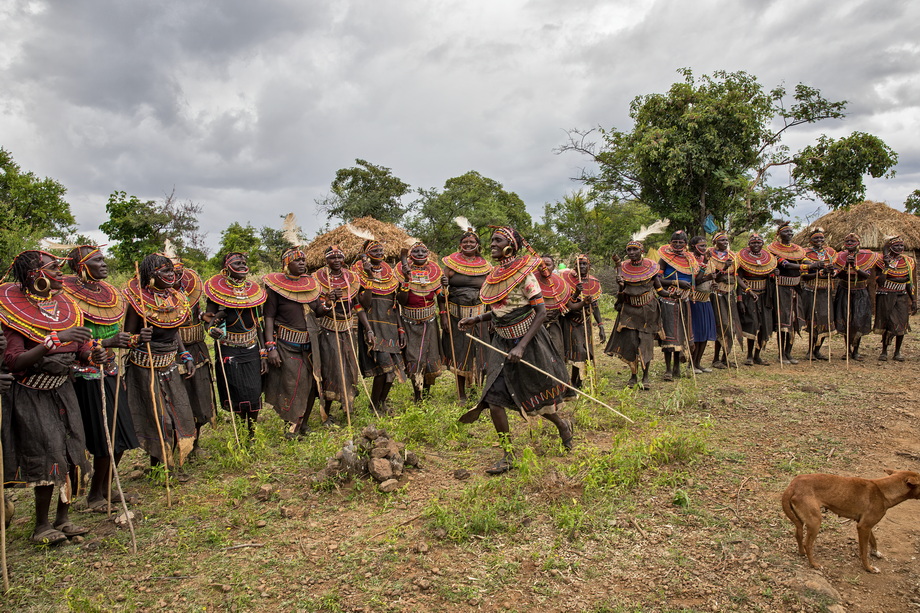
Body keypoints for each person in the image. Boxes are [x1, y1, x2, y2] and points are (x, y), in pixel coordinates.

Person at [0, 250, 103, 544]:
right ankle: (41, 525)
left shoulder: (63, 306)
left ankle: (64, 518)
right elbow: (14, 361)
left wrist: (92, 353)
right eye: (53, 268)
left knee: (71, 451)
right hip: (32, 393)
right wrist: (54, 340)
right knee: (48, 455)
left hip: (63, 388)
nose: (60, 273)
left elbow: (80, 348)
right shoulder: (13, 311)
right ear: (35, 274)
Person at [458, 226, 572, 474]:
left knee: (534, 395)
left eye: (498, 240)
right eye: (492, 241)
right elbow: (500, 310)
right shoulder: (495, 275)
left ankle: (562, 424)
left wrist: (521, 346)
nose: (492, 244)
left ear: (510, 245)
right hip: (501, 343)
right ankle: (508, 455)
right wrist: (476, 320)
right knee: (493, 397)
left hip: (528, 342)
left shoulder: (525, 276)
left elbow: (540, 313)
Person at [62, 245, 140, 512]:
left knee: (119, 436)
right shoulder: (67, 297)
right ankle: (95, 494)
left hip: (111, 372)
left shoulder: (110, 294)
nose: (104, 263)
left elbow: (118, 332)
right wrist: (105, 342)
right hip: (85, 376)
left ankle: (106, 488)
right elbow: (70, 337)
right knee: (104, 439)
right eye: (97, 260)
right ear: (81, 266)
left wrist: (130, 340)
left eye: (104, 258)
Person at [123, 253, 197, 467]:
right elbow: (127, 338)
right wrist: (139, 337)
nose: (171, 275)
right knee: (158, 417)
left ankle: (171, 462)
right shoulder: (138, 301)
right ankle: (159, 465)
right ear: (151, 275)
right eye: (165, 271)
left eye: (172, 270)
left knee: (179, 414)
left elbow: (173, 331)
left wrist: (185, 354)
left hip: (170, 364)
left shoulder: (176, 298)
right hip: (145, 366)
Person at [203, 252, 267, 436]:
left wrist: (263, 352)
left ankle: (252, 433)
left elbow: (259, 325)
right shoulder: (215, 293)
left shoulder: (254, 292)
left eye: (244, 262)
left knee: (254, 391)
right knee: (236, 391)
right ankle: (240, 429)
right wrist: (211, 329)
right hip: (229, 349)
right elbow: (209, 320)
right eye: (237, 263)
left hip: (252, 348)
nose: (241, 265)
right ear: (226, 267)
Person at [263, 247, 324, 436]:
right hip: (286, 345)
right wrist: (270, 347)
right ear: (286, 264)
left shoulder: (310, 285)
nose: (302, 263)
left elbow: (318, 311)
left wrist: (329, 303)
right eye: (297, 260)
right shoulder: (275, 288)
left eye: (304, 260)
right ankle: (290, 427)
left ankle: (303, 423)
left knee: (312, 386)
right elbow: (269, 317)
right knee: (292, 386)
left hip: (310, 344)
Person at [314, 245, 374, 425]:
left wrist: (369, 328)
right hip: (328, 331)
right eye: (333, 257)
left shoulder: (351, 278)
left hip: (347, 330)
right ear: (326, 260)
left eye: (340, 257)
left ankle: (347, 406)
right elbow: (316, 309)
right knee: (331, 369)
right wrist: (329, 300)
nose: (337, 260)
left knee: (348, 369)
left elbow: (359, 305)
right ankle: (326, 413)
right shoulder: (318, 279)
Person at [440, 223, 492, 403]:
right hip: (457, 316)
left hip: (480, 316)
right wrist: (443, 315)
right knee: (461, 353)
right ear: (460, 244)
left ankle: (479, 390)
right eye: (465, 241)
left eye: (472, 241)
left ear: (478, 244)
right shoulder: (450, 264)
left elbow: (491, 292)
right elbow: (442, 294)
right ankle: (461, 394)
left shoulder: (486, 266)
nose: (468, 244)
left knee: (480, 352)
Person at [353, 239, 405, 415]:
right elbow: (364, 304)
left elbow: (395, 305)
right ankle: (374, 405)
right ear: (367, 254)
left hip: (390, 326)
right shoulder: (358, 273)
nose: (379, 252)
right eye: (374, 250)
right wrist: (368, 276)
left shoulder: (390, 274)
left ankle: (381, 402)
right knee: (384, 369)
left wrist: (400, 329)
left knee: (393, 372)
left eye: (381, 249)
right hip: (373, 325)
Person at [171, 252, 215, 459]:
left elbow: (193, 313)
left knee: (200, 395)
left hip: (197, 348)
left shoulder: (190, 292)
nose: (175, 277)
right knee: (178, 399)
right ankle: (174, 447)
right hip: (173, 353)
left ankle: (196, 444)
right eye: (171, 273)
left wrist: (201, 317)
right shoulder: (157, 299)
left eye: (179, 273)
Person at [605, 238, 664, 389]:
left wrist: (673, 294)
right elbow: (620, 296)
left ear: (641, 251)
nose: (631, 252)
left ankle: (646, 376)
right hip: (630, 310)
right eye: (629, 250)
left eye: (634, 249)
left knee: (645, 342)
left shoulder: (651, 268)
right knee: (631, 343)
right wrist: (620, 287)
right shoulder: (622, 269)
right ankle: (633, 375)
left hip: (648, 310)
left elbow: (659, 289)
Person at [397, 242, 444, 403]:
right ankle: (417, 395)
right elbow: (401, 302)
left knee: (429, 357)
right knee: (414, 358)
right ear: (409, 255)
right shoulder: (402, 270)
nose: (419, 253)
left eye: (422, 250)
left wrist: (445, 287)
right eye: (415, 251)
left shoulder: (434, 272)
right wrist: (406, 279)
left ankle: (426, 392)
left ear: (428, 253)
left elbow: (441, 298)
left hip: (430, 321)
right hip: (409, 322)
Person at [657, 231, 698, 380]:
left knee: (681, 334)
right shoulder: (664, 259)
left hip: (685, 300)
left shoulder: (690, 259)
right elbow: (658, 280)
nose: (678, 245)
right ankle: (668, 369)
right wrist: (676, 282)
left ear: (686, 244)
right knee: (669, 334)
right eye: (675, 242)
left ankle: (677, 367)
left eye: (681, 242)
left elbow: (696, 277)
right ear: (670, 242)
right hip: (669, 299)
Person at [561, 254, 605, 390]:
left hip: (586, 321)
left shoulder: (594, 283)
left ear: (589, 267)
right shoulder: (567, 281)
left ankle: (579, 381)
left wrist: (601, 326)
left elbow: (595, 307)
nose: (582, 267)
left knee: (586, 352)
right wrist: (576, 293)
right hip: (571, 321)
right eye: (579, 264)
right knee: (577, 351)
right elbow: (567, 305)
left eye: (584, 264)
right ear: (575, 267)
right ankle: (573, 382)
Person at [832, 234, 879, 361]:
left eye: (852, 240)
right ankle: (847, 350)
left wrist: (855, 267)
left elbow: (866, 276)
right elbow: (837, 275)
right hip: (844, 290)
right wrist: (844, 266)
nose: (849, 242)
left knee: (858, 321)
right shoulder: (840, 256)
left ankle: (856, 350)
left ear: (858, 242)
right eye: (847, 240)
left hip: (860, 292)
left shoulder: (868, 256)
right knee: (845, 319)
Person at [766, 220, 806, 364]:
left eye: (790, 231)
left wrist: (817, 265)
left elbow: (805, 260)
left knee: (794, 321)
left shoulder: (797, 250)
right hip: (781, 289)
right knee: (784, 322)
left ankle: (789, 352)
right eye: (785, 231)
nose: (789, 234)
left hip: (795, 289)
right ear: (779, 234)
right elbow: (785, 264)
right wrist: (807, 267)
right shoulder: (773, 250)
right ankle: (781, 353)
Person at [735, 234, 776, 366]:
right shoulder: (742, 259)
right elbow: (737, 278)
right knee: (753, 325)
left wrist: (774, 275)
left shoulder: (768, 259)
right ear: (749, 244)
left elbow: (770, 274)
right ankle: (749, 356)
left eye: (759, 243)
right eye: (753, 243)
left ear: (763, 244)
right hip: (749, 296)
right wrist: (741, 298)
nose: (756, 245)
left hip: (764, 297)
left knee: (764, 325)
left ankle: (757, 355)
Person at [874, 236, 915, 361]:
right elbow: (880, 282)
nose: (899, 248)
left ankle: (897, 352)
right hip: (886, 295)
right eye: (896, 245)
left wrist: (913, 300)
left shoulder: (908, 261)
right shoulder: (880, 261)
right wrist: (886, 266)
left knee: (901, 323)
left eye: (901, 246)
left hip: (901, 296)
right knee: (887, 322)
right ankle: (884, 351)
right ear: (889, 247)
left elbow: (909, 282)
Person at [800, 229, 837, 360]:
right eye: (816, 239)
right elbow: (804, 277)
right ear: (811, 240)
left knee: (825, 321)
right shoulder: (805, 254)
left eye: (821, 238)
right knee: (813, 322)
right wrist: (819, 273)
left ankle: (817, 350)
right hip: (811, 290)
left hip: (826, 291)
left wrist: (832, 272)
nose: (819, 241)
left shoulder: (830, 253)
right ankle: (810, 351)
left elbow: (836, 269)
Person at [706, 231, 740, 369]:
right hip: (717, 294)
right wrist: (724, 268)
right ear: (715, 242)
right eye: (722, 241)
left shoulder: (732, 256)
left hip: (730, 294)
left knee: (731, 326)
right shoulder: (709, 256)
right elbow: (712, 276)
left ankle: (725, 357)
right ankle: (715, 359)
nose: (725, 243)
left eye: (726, 240)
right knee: (722, 325)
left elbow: (736, 275)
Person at [688, 236, 717, 373]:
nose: (704, 249)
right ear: (693, 246)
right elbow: (696, 281)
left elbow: (711, 277)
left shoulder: (708, 260)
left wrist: (713, 283)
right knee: (697, 334)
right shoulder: (690, 260)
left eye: (706, 246)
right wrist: (705, 267)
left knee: (705, 333)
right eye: (701, 246)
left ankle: (698, 363)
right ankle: (691, 364)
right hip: (695, 300)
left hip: (706, 300)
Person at [537, 254, 572, 363]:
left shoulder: (561, 285)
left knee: (556, 355)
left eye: (548, 264)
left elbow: (569, 306)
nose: (544, 267)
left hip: (553, 325)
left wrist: (581, 298)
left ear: (554, 266)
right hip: (535, 326)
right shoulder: (530, 282)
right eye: (541, 265)